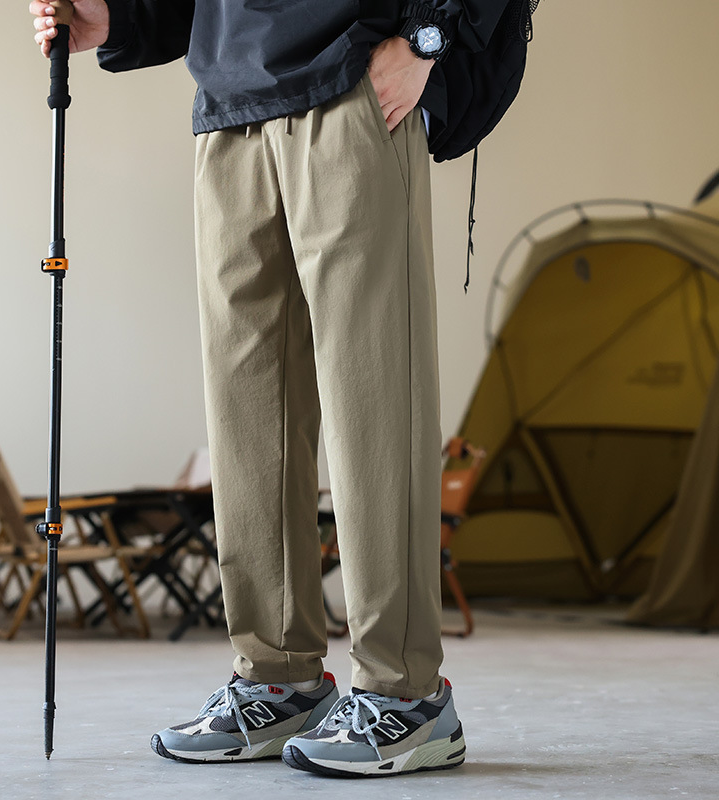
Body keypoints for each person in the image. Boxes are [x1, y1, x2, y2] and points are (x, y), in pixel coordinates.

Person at [29, 0, 497, 778]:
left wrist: (428, 37)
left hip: (352, 77)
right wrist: (120, 19)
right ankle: (278, 678)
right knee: (247, 416)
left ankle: (407, 694)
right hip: (228, 104)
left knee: (374, 403)